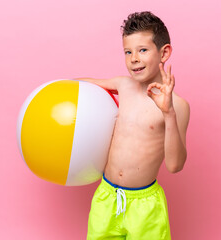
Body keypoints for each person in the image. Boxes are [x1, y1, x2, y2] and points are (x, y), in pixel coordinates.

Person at [76, 11, 190, 240]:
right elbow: (80, 86)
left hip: (145, 207)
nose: (134, 58)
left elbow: (175, 165)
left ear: (164, 52)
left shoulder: (177, 105)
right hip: (107, 197)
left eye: (143, 50)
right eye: (128, 52)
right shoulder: (123, 85)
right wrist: (53, 88)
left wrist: (168, 113)